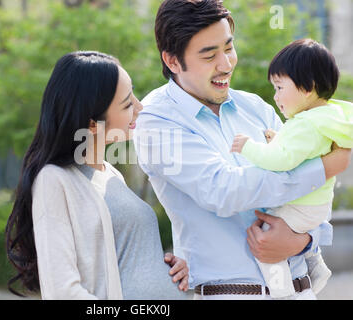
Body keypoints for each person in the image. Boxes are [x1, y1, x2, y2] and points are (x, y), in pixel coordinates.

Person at [132, 0, 352, 300]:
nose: (226, 64)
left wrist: (303, 240)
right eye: (209, 55)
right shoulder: (156, 120)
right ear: (172, 61)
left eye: (228, 48)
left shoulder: (255, 108)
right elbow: (223, 190)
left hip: (301, 290)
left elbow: (314, 196)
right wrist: (324, 167)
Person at [5, 51, 191, 300]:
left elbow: (125, 260)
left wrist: (168, 267)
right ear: (93, 123)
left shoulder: (111, 174)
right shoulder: (54, 180)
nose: (139, 106)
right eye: (127, 103)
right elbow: (62, 291)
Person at [231, 38, 353, 298]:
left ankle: (281, 290)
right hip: (314, 205)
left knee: (267, 243)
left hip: (300, 206)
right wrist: (278, 140)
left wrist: (248, 147)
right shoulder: (325, 117)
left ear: (307, 87)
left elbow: (282, 162)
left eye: (279, 87)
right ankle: (316, 266)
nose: (275, 97)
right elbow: (300, 155)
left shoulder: (305, 124)